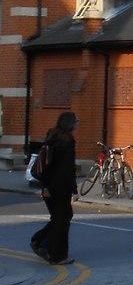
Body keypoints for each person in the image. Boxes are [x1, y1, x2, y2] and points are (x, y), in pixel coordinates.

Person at [30, 111, 78, 265]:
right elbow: (68, 168)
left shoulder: (52, 137)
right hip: (60, 187)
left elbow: (47, 166)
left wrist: (44, 186)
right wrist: (74, 190)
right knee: (62, 220)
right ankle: (56, 254)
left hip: (48, 186)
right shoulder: (67, 141)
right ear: (70, 123)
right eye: (75, 121)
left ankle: (42, 243)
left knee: (59, 218)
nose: (77, 124)